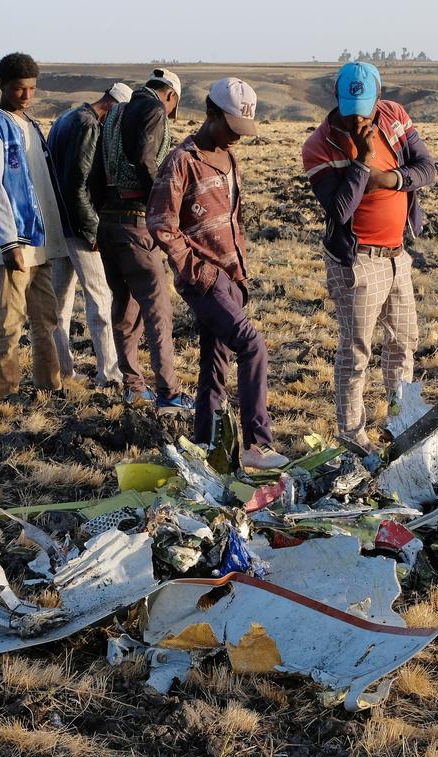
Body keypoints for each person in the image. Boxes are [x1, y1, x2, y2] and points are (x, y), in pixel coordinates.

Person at [149, 78, 289, 470]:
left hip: (231, 278)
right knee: (252, 346)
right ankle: (257, 445)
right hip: (204, 281)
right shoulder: (182, 161)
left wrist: (239, 274)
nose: (236, 138)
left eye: (242, 131)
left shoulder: (230, 159)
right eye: (231, 128)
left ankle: (206, 448)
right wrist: (198, 272)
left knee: (214, 367)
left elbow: (234, 219)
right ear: (210, 113)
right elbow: (161, 224)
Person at [301, 61, 437, 451]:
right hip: (358, 261)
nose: (358, 118)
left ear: (379, 97)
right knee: (356, 349)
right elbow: (340, 210)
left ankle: (401, 426)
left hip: (397, 254)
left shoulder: (393, 115)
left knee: (403, 342)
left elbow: (427, 168)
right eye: (350, 110)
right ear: (336, 100)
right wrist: (363, 159)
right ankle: (353, 437)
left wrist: (392, 179)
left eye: (366, 109)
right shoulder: (319, 146)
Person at [90, 68, 194, 414]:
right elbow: (145, 156)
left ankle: (133, 386)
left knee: (125, 305)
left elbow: (95, 168)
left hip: (108, 220)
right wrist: (161, 203)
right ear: (170, 96)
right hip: (136, 221)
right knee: (157, 309)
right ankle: (169, 392)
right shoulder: (153, 109)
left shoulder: (115, 111)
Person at [0, 52, 66, 399]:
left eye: (30, 88)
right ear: (3, 87)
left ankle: (50, 383)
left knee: (46, 318)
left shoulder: (31, 125)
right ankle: (4, 390)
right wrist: (9, 243)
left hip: (40, 241)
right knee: (11, 320)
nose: (26, 95)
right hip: (16, 242)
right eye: (18, 89)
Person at [46, 83, 131, 388]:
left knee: (58, 303)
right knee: (100, 298)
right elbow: (77, 185)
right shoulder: (89, 125)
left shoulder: (65, 118)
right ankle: (109, 373)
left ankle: (62, 371)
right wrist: (91, 229)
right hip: (78, 228)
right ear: (113, 108)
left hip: (56, 224)